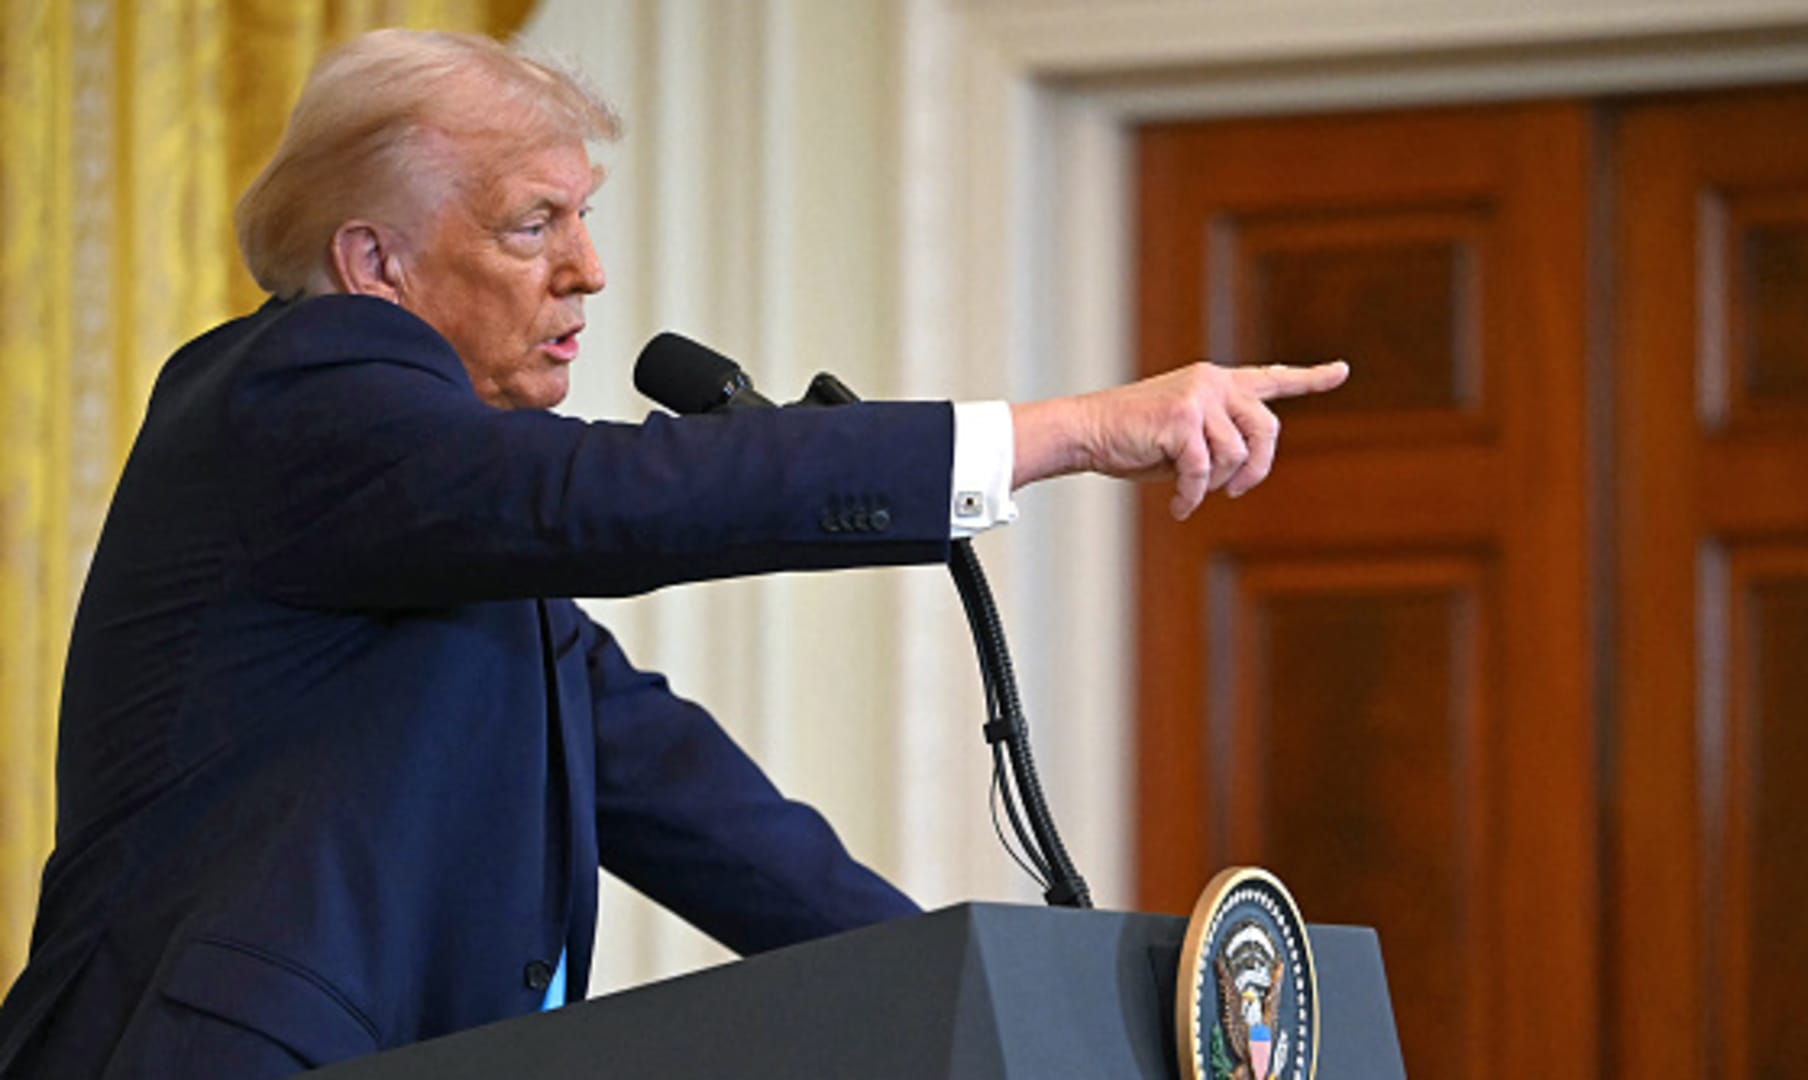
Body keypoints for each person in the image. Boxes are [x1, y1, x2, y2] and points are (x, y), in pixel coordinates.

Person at [0, 29, 1347, 1079]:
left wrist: (987, 1000)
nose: (588, 269)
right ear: (374, 262)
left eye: (584, 218)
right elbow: (609, 495)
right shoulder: (296, 389)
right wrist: (1065, 432)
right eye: (534, 223)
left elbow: (694, 806)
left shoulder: (430, 524)